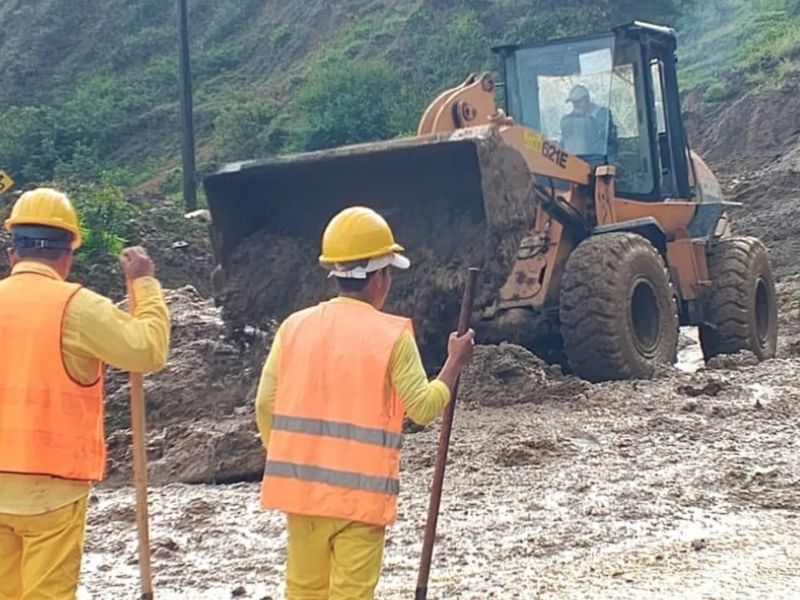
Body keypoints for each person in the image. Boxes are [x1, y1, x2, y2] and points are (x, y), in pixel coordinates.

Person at [255, 206, 475, 599]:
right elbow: (423, 409)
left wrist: (292, 457)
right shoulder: (391, 336)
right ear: (378, 279)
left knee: (303, 592)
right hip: (360, 502)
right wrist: (454, 364)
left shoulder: (294, 327)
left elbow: (265, 404)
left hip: (302, 496)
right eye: (388, 272)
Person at [0, 187, 171, 599]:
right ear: (67, 255)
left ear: (12, 253)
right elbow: (146, 350)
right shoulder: (77, 307)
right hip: (52, 489)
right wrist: (143, 284)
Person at [560, 84, 618, 157]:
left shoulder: (601, 113)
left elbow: (605, 140)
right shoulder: (570, 119)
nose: (575, 106)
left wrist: (584, 119)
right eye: (573, 103)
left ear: (587, 99)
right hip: (575, 160)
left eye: (578, 102)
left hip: (598, 159)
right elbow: (564, 141)